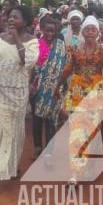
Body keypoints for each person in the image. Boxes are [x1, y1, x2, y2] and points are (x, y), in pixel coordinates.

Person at [0, 6, 39, 196]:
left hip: (18, 93)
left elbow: (27, 61)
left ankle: (11, 167)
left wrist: (16, 38)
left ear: (26, 21)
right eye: (10, 16)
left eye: (16, 17)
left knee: (14, 134)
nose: (11, 19)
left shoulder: (32, 42)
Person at [31, 16, 67, 158]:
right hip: (37, 88)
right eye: (47, 31)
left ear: (57, 30)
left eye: (53, 31)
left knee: (51, 120)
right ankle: (38, 147)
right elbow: (32, 66)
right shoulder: (36, 44)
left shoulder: (61, 46)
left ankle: (49, 152)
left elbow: (63, 66)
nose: (50, 34)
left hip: (55, 88)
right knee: (37, 119)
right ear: (43, 30)